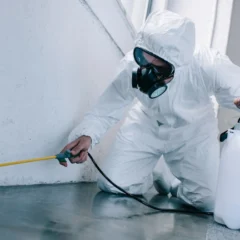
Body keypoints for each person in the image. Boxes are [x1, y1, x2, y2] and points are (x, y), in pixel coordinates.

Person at [60, 10, 240, 212]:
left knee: (208, 202)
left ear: (178, 64)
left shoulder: (208, 63)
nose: (147, 72)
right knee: (112, 184)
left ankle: (170, 178)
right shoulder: (130, 66)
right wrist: (87, 135)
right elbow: (106, 107)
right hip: (146, 124)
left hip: (193, 132)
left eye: (160, 67)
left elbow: (236, 91)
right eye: (144, 59)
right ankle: (151, 169)